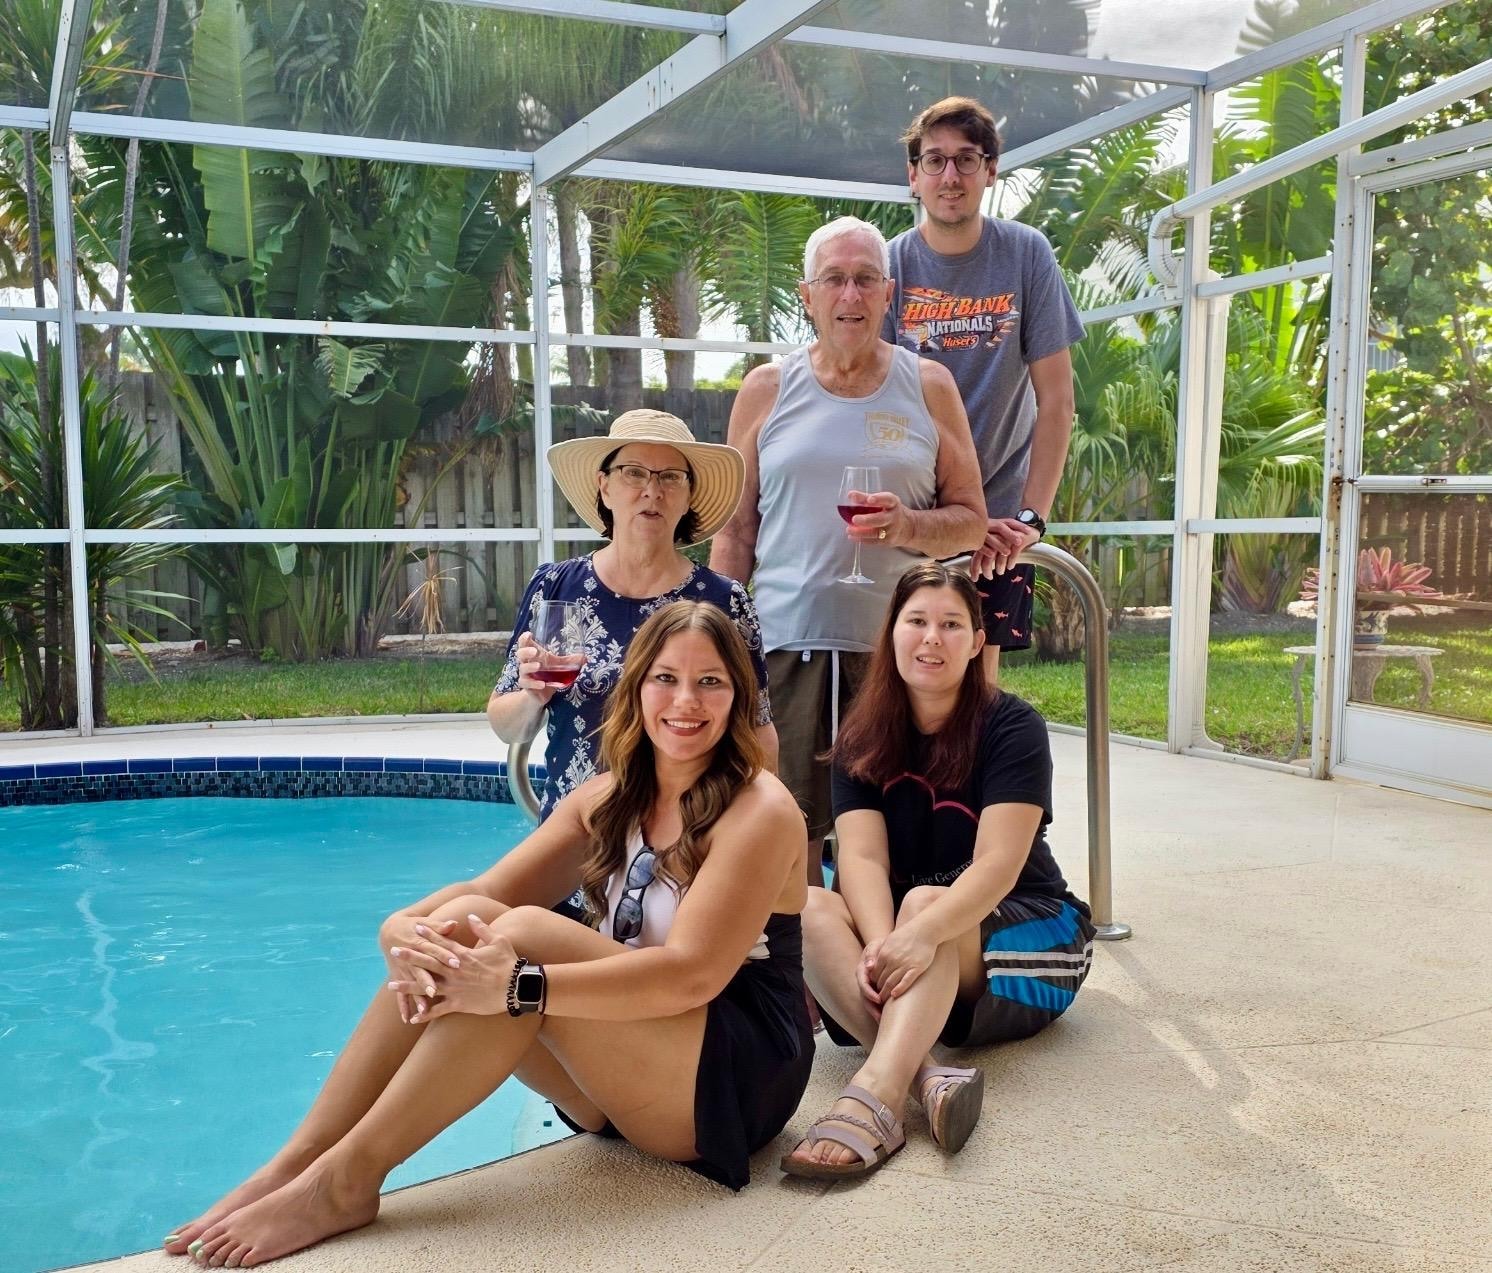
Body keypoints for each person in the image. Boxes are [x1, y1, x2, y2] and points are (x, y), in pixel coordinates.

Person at [165, 602, 812, 1267]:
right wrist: (404, 927)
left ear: (738, 697)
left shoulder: (760, 808)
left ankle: (346, 1181)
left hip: (733, 1081)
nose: (686, 700)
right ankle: (299, 1162)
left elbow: (691, 974)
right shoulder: (609, 795)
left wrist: (519, 984)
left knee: (524, 939)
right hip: (627, 1074)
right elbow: (486, 892)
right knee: (469, 931)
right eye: (666, 678)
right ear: (637, 686)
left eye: (711, 681)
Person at [780, 562, 1093, 1179]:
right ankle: (927, 1076)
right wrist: (881, 949)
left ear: (977, 642)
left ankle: (878, 1093)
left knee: (927, 902)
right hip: (912, 946)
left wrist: (916, 934)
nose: (932, 638)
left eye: (952, 625)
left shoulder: (1012, 725)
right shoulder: (861, 736)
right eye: (916, 621)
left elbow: (1000, 866)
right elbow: (862, 858)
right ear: (891, 633)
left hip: (1029, 933)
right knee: (811, 905)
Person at [710, 216, 986, 880]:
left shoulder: (929, 386)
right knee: (786, 833)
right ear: (808, 296)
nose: (851, 296)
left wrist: (910, 528)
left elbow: (972, 522)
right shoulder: (766, 389)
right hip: (785, 645)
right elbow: (735, 530)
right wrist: (721, 644)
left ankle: (886, 966)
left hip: (898, 656)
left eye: (865, 279)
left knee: (897, 838)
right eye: (835, 279)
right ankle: (797, 976)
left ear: (888, 294)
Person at [490, 408, 776, 821]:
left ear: (689, 495)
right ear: (604, 486)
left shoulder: (722, 600)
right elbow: (506, 726)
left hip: (685, 840)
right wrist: (535, 696)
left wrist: (756, 830)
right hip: (573, 840)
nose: (652, 491)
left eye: (670, 477)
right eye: (633, 472)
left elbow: (758, 730)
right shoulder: (555, 588)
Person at [885, 96, 1086, 681]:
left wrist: (1030, 519)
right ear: (913, 175)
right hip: (916, 516)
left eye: (967, 159)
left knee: (977, 685)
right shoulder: (890, 266)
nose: (950, 176)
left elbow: (1057, 402)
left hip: (998, 526)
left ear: (991, 171)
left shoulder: (1026, 253)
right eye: (935, 160)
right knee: (900, 680)